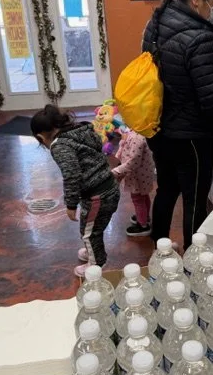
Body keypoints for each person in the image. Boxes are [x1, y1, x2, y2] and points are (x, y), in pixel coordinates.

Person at [142, 0, 213, 250]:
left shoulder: (157, 22)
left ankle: (159, 248)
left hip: (159, 129)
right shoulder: (203, 38)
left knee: (167, 190)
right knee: (195, 200)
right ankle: (193, 261)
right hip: (192, 138)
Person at [30, 104, 119, 277]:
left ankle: (96, 263)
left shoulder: (60, 146)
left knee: (89, 232)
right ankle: (92, 251)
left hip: (97, 195)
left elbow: (72, 175)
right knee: (91, 227)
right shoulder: (81, 131)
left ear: (41, 137)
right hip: (109, 186)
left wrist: (71, 204)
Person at [112, 127, 155, 237]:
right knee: (143, 196)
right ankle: (144, 217)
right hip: (143, 174)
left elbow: (133, 162)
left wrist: (117, 171)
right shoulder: (137, 132)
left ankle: (143, 225)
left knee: (138, 199)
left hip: (137, 176)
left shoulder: (137, 137)